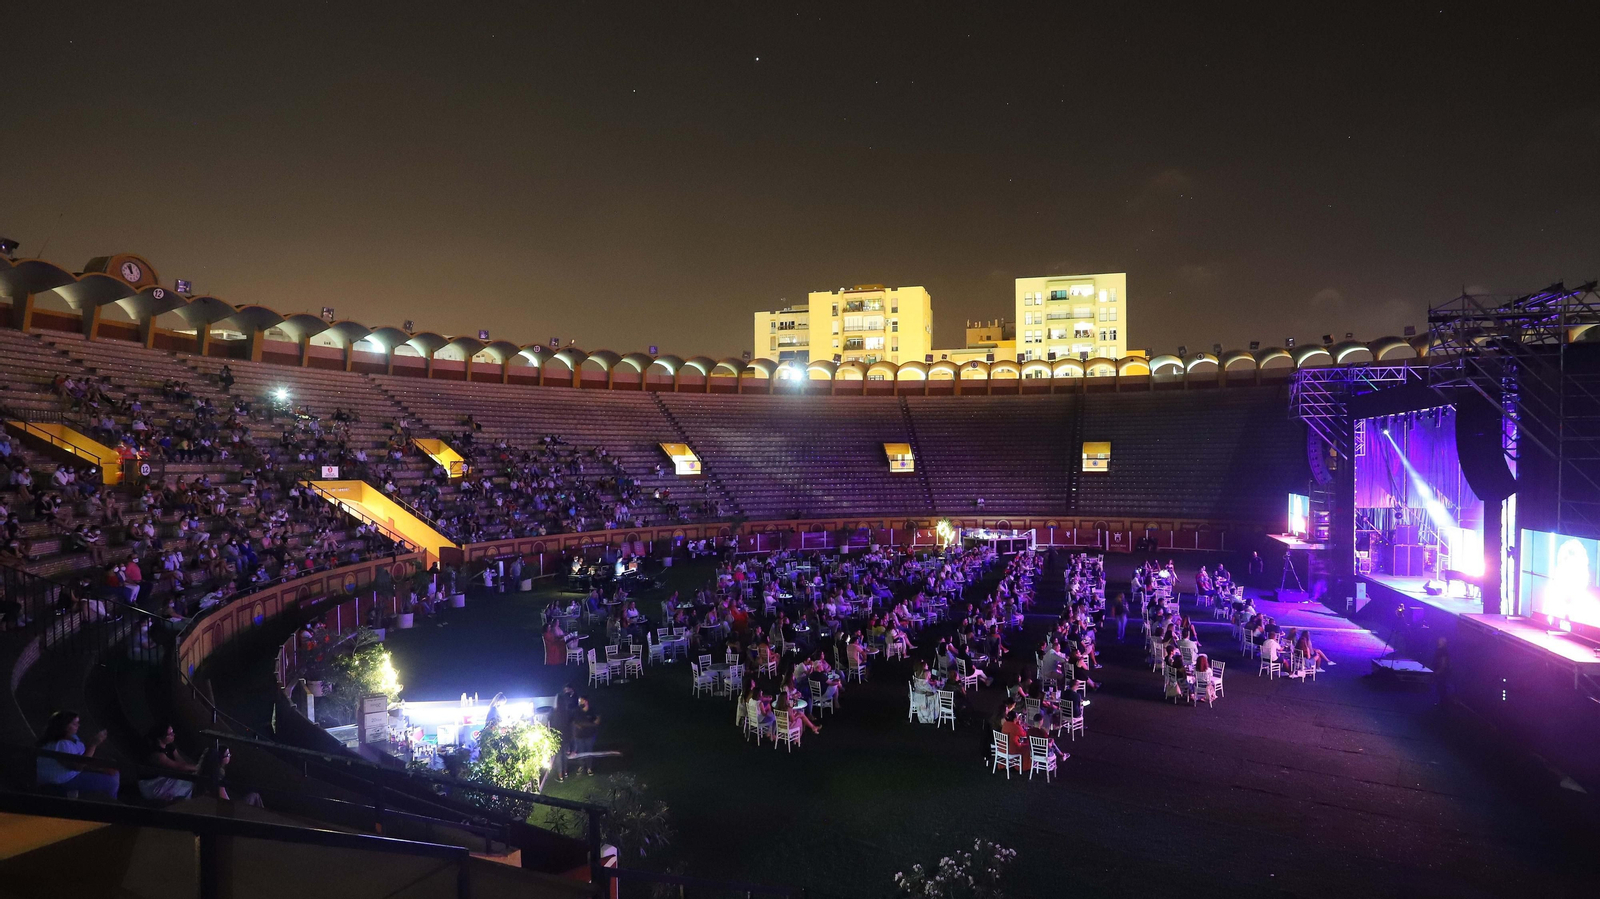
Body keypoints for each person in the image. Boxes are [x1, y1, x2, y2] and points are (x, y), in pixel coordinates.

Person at [35, 711, 119, 800]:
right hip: (62, 780)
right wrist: (94, 744)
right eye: (74, 724)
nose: (78, 726)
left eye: (78, 723)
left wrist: (102, 768)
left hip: (71, 773)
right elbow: (77, 766)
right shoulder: (61, 744)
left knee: (113, 770)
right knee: (112, 781)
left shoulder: (73, 737)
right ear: (64, 725)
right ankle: (112, 803)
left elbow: (81, 754)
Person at [140, 723, 197, 801]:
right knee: (187, 785)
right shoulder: (157, 754)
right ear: (160, 738)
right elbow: (178, 767)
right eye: (170, 734)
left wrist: (192, 769)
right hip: (152, 783)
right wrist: (198, 768)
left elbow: (181, 762)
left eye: (172, 732)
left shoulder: (170, 746)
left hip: (166, 778)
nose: (173, 735)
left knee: (190, 781)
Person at [570, 696, 601, 776]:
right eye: (579, 701)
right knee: (581, 752)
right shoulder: (576, 710)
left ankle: (589, 768)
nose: (580, 703)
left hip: (589, 735)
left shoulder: (591, 710)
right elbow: (573, 721)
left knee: (589, 751)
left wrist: (595, 722)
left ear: (586, 701)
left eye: (582, 701)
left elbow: (597, 720)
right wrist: (577, 725)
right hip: (579, 736)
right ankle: (581, 766)